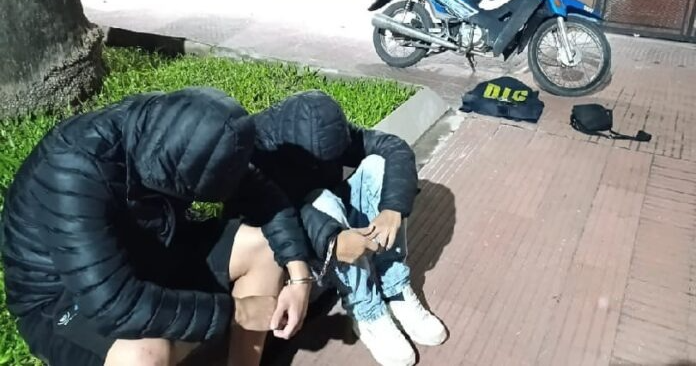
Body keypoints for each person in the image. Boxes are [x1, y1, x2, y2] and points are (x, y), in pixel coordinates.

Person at [0, 87, 313, 366]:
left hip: (151, 250)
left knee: (262, 247)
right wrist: (238, 312)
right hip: (66, 298)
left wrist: (300, 277)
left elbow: (261, 194)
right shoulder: (72, 173)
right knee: (145, 354)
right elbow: (115, 305)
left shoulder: (183, 132)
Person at [249, 90, 447, 366]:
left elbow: (394, 146)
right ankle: (366, 311)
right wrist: (332, 240)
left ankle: (394, 287)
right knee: (320, 199)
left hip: (336, 226)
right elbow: (276, 217)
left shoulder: (324, 127)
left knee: (379, 164)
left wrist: (393, 208)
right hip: (301, 252)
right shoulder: (257, 150)